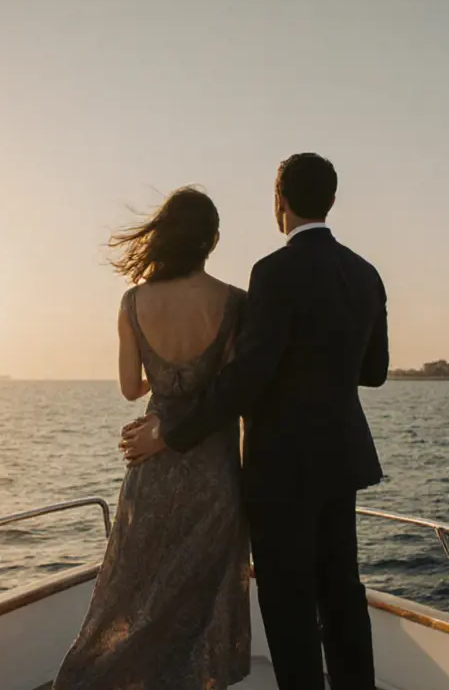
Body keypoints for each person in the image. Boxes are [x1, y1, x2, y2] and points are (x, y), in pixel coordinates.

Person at [121, 153, 388, 690]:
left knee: (289, 607)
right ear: (332, 201)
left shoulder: (273, 272)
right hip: (342, 460)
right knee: (342, 595)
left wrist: (170, 431)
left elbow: (247, 376)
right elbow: (375, 371)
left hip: (281, 469)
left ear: (279, 202)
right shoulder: (364, 273)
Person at [52, 187, 251, 690]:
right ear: (214, 240)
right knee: (205, 600)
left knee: (134, 589)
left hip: (152, 468)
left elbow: (128, 388)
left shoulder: (133, 302)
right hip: (215, 468)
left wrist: (163, 381)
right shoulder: (235, 303)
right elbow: (233, 390)